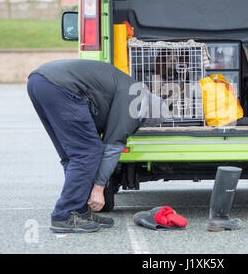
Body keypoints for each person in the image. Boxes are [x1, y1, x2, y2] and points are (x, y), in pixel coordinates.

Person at [27, 59, 167, 233]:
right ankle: (64, 215)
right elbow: (113, 145)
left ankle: (79, 210)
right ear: (148, 111)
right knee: (88, 152)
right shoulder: (137, 102)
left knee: (73, 155)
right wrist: (99, 189)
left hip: (40, 81)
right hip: (60, 86)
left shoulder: (131, 89)